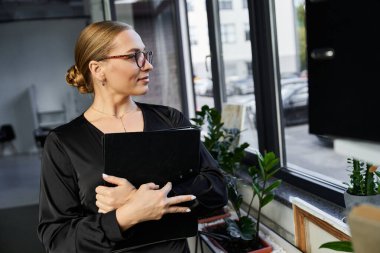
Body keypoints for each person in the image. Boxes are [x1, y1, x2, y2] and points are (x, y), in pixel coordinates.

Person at [37, 21, 227, 253]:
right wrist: (126, 215)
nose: (148, 65)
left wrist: (145, 199)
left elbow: (217, 190)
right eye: (133, 56)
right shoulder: (63, 142)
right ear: (98, 69)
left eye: (145, 54)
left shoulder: (170, 120)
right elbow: (58, 240)